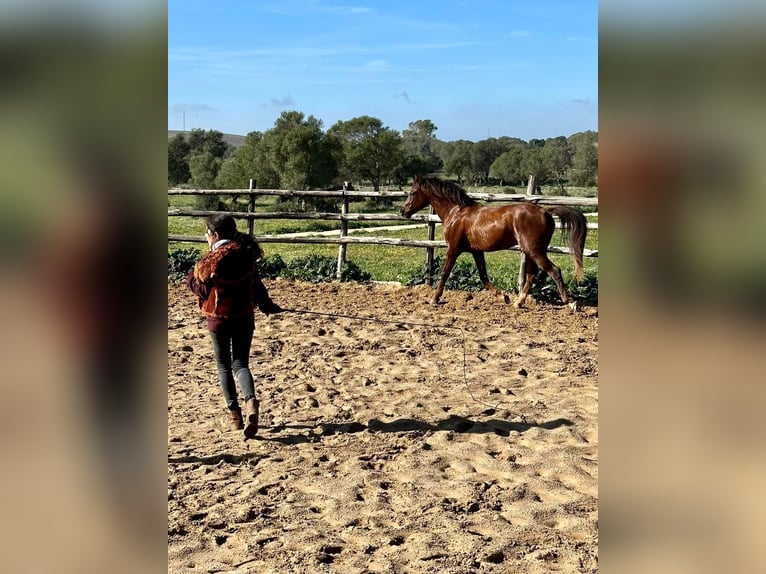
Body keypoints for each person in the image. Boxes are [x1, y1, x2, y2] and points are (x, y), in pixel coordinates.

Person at [186, 214, 282, 439]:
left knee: (223, 366)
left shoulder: (211, 261)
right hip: (244, 317)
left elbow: (202, 290)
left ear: (215, 235)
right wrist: (268, 305)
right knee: (241, 363)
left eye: (207, 234)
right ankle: (251, 402)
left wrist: (190, 277)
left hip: (218, 320)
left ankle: (235, 416)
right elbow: (256, 285)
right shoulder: (247, 254)